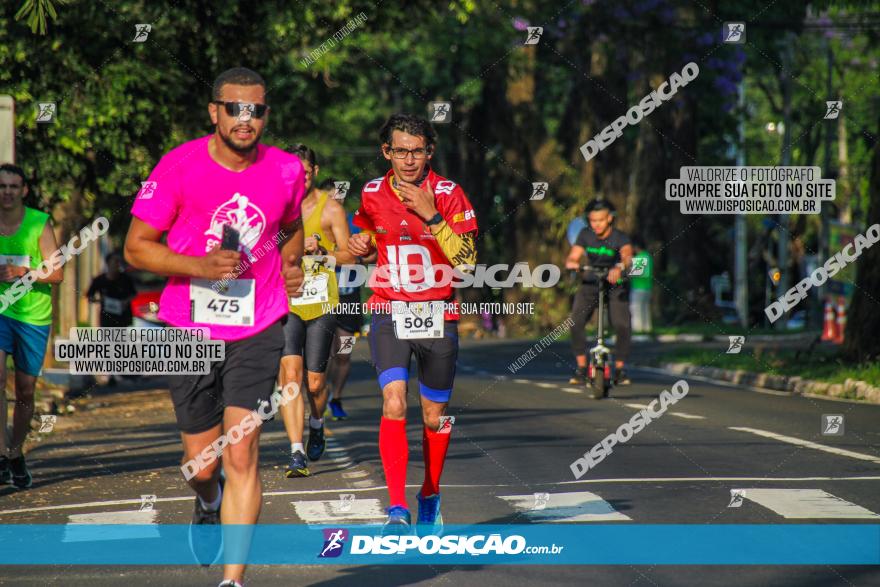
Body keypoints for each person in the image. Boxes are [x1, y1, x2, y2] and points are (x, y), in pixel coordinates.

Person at [124, 67, 305, 587]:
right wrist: (200, 266)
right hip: (188, 326)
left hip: (258, 322)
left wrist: (287, 266)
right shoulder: (178, 166)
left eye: (256, 109)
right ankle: (208, 499)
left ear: (266, 114)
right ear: (214, 112)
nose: (245, 119)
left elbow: (290, 225)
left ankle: (233, 579)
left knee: (243, 448)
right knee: (202, 465)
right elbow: (137, 246)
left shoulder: (287, 169)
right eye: (234, 108)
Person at [349, 113, 478, 534]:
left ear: (430, 151)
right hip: (389, 310)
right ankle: (397, 507)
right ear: (386, 152)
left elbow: (468, 263)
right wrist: (360, 247)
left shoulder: (448, 193)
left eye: (417, 151)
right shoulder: (371, 193)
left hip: (438, 313)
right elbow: (366, 243)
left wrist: (432, 216)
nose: (408, 160)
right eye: (400, 151)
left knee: (433, 416)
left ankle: (430, 492)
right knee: (394, 401)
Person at [279, 144, 353, 478]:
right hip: (287, 301)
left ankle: (317, 423)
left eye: (305, 172)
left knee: (313, 382)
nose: (299, 178)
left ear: (315, 172)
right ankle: (296, 452)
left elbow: (352, 256)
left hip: (321, 303)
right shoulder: (275, 204)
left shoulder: (330, 209)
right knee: (290, 378)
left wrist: (322, 250)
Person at [0, 164, 64, 490]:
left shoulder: (39, 223)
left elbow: (57, 273)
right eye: (2, 186)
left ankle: (15, 452)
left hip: (32, 316)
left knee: (25, 390)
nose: (7, 191)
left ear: (23, 190)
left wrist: (23, 272)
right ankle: (1, 451)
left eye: (13, 186)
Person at [565, 199, 633, 385]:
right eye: (593, 220)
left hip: (615, 284)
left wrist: (619, 267)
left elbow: (627, 256)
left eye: (600, 220)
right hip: (591, 282)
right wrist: (573, 263)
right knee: (575, 322)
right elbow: (574, 255)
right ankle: (581, 368)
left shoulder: (620, 237)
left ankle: (619, 369)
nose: (596, 225)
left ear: (609, 219)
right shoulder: (585, 235)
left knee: (622, 325)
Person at [325, 209, 374, 421]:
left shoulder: (354, 228)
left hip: (348, 302)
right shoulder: (315, 226)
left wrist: (358, 262)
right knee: (322, 356)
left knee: (344, 354)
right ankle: (319, 394)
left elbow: (374, 252)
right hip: (322, 301)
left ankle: (336, 399)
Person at [86, 252, 138, 328]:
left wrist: (125, 302)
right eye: (115, 261)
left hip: (123, 318)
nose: (117, 265)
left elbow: (134, 294)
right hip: (107, 318)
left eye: (119, 262)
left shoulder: (125, 279)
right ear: (108, 263)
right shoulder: (99, 280)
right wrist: (100, 300)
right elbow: (90, 297)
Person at [629, 236, 653, 334]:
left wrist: (626, 272)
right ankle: (647, 329)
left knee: (636, 310)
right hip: (647, 287)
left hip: (638, 287)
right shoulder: (648, 256)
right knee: (645, 309)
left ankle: (637, 329)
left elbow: (637, 273)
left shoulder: (639, 257)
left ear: (636, 246)